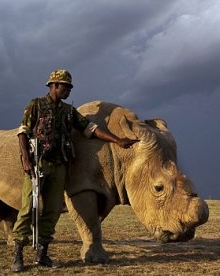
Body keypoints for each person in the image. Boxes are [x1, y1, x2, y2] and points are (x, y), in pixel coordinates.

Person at [11, 69, 136, 272]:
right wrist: (25, 159)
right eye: (66, 87)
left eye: (70, 87)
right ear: (54, 86)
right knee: (28, 209)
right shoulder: (36, 105)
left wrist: (118, 140)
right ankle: (18, 255)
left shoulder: (69, 112)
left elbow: (90, 129)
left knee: (52, 212)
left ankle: (42, 255)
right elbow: (23, 133)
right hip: (38, 164)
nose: (69, 90)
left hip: (60, 166)